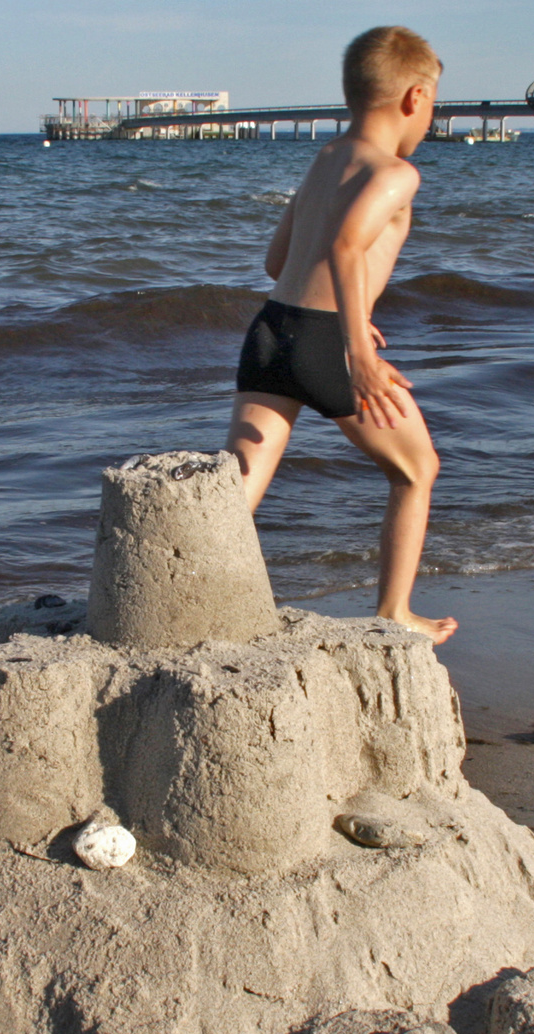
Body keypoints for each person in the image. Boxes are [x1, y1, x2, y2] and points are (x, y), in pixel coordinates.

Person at [226, 26, 457, 644]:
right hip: (331, 344)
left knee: (236, 490)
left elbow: (279, 262)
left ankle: (179, 591)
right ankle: (396, 612)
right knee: (417, 470)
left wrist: (345, 310)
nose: (429, 118)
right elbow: (346, 245)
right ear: (414, 98)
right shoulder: (396, 174)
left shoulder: (326, 159)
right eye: (433, 105)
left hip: (272, 330)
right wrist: (356, 346)